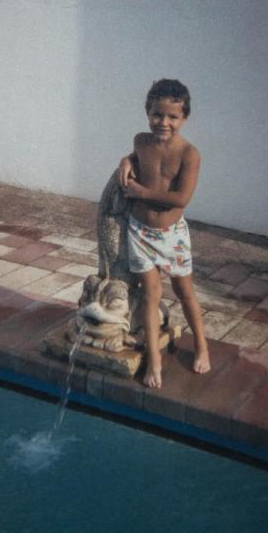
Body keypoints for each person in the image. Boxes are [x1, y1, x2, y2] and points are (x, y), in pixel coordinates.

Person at [116, 79, 208, 388]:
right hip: (140, 231)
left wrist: (140, 191)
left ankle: (202, 346)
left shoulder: (189, 154)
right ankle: (153, 360)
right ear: (147, 112)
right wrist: (126, 160)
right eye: (158, 115)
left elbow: (181, 198)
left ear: (184, 118)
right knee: (150, 295)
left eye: (172, 117)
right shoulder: (141, 141)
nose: (164, 122)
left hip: (172, 235)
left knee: (184, 292)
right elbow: (135, 156)